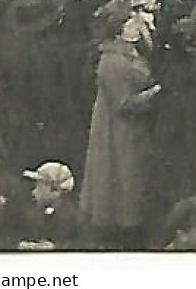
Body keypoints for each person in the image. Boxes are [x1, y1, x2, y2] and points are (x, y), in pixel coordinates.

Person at [81, 14, 160, 248]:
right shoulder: (112, 61)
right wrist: (155, 93)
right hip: (118, 130)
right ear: (117, 30)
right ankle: (122, 228)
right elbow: (123, 103)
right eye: (131, 23)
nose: (137, 27)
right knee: (122, 176)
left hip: (131, 127)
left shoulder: (131, 52)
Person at [17, 161, 83, 249]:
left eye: (39, 185)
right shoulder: (45, 211)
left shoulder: (67, 216)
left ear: (54, 189)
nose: (34, 191)